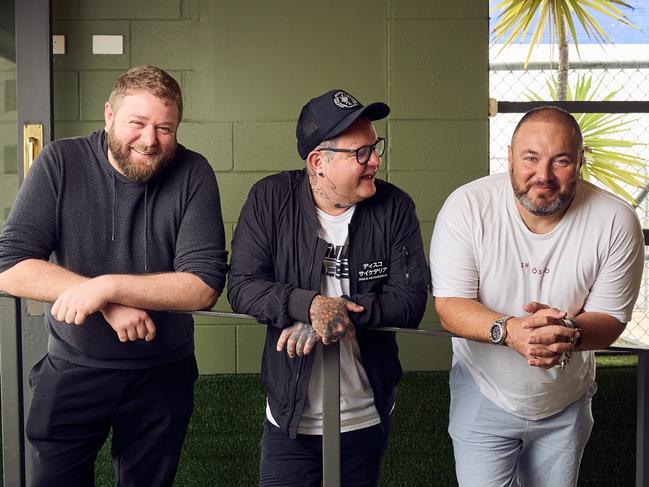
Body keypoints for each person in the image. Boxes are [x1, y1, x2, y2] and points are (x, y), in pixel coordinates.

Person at [0, 65, 228, 486]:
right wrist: (102, 300)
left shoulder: (193, 172)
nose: (150, 140)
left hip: (163, 374)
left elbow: (203, 284)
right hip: (73, 367)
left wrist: (108, 287)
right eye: (137, 124)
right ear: (109, 115)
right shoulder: (60, 161)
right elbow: (10, 263)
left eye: (165, 128)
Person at [430, 106, 644, 487]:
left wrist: (567, 332)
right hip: (482, 390)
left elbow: (610, 317)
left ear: (579, 162)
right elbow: (450, 306)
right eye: (530, 158)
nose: (542, 175)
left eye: (560, 161)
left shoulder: (615, 219)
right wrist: (511, 330)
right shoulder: (467, 206)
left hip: (567, 400)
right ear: (510, 155)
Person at [228, 89, 429, 486]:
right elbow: (242, 286)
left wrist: (336, 310)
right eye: (361, 153)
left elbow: (409, 302)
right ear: (318, 162)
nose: (375, 160)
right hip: (289, 419)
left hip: (366, 415)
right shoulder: (269, 199)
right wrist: (308, 305)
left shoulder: (395, 206)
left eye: (375, 147)